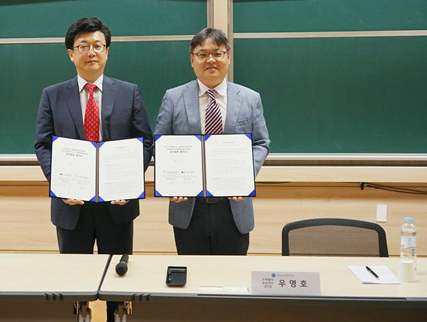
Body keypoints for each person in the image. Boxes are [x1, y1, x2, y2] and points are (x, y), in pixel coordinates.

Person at [35, 16, 153, 320]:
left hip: (118, 205)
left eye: (98, 45)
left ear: (107, 51)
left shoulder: (129, 92)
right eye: (83, 46)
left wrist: (129, 183)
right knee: (75, 284)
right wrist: (61, 186)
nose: (91, 52)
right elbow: (43, 145)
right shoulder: (52, 95)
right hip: (71, 206)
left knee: (118, 282)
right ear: (71, 53)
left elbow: (145, 142)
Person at [154, 27, 270, 255]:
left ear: (228, 56)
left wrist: (245, 175)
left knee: (232, 273)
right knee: (192, 271)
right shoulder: (173, 97)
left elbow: (261, 143)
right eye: (203, 54)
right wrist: (171, 181)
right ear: (192, 60)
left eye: (217, 53)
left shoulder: (250, 98)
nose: (211, 60)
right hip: (188, 207)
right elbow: (160, 144)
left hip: (234, 207)